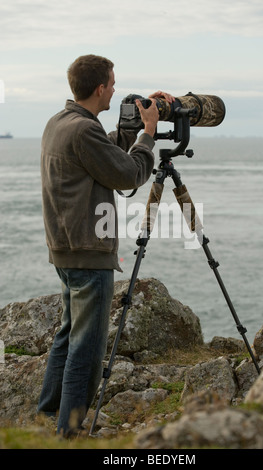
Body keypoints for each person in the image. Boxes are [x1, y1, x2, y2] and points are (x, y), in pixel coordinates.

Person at [37, 54, 174, 437]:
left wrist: (135, 116)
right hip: (87, 249)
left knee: (68, 336)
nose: (115, 88)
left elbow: (105, 151)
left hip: (65, 248)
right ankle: (71, 431)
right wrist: (148, 134)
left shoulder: (62, 123)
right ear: (100, 88)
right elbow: (128, 172)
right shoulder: (83, 130)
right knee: (87, 347)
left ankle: (47, 419)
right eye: (113, 84)